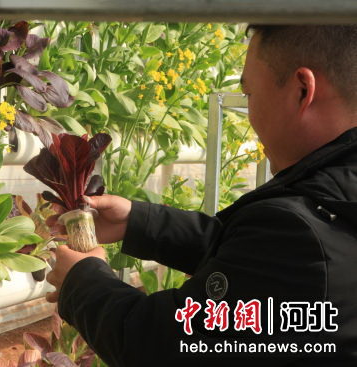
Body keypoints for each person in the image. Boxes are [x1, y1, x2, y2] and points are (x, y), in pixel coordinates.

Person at [45, 25, 357, 366]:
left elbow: (166, 346)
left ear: (302, 90)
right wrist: (140, 222)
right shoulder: (333, 204)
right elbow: (255, 264)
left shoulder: (303, 235)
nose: (250, 115)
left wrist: (82, 281)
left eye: (250, 95)